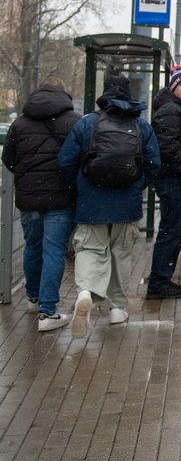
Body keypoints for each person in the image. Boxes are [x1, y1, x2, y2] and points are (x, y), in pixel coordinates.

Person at [58, 75, 161, 337]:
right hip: (127, 204)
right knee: (120, 254)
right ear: (128, 94)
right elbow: (153, 165)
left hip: (91, 202)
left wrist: (81, 186)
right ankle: (117, 308)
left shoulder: (87, 123)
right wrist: (136, 185)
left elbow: (66, 161)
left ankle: (85, 292)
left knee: (90, 250)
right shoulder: (141, 126)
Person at [1, 78, 81, 332]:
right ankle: (48, 312)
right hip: (60, 197)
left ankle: (33, 298)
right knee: (54, 250)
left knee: (33, 246)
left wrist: (26, 176)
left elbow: (8, 159)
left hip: (28, 198)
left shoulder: (20, 123)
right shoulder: (74, 121)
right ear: (63, 94)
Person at [146, 65, 181, 299]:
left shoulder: (177, 108)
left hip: (177, 178)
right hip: (174, 179)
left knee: (175, 229)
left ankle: (162, 280)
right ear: (174, 87)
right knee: (171, 230)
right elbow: (167, 146)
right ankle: (158, 283)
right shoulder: (170, 110)